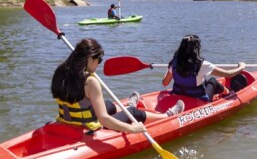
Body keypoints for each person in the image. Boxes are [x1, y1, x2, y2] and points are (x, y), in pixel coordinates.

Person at [51, 38, 184, 133]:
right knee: (133, 113)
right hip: (86, 126)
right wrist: (132, 128)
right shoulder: (90, 82)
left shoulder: (61, 71)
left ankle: (128, 106)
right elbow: (104, 120)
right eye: (99, 60)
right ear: (90, 58)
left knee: (108, 104)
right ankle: (166, 116)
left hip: (66, 120)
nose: (99, 64)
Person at [162, 34, 246, 101]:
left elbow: (165, 83)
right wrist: (241, 67)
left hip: (179, 94)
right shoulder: (202, 64)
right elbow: (228, 74)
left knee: (205, 80)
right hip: (197, 98)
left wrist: (169, 67)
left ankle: (224, 91)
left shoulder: (175, 62)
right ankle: (227, 92)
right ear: (196, 48)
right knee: (212, 80)